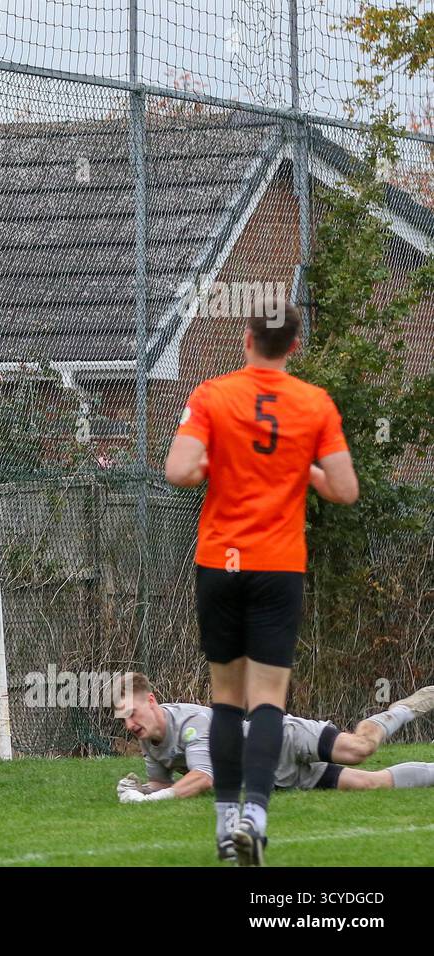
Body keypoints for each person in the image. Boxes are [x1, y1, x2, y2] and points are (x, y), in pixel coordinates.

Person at [164, 295, 359, 865]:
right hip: (278, 565)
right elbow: (344, 490)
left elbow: (178, 471)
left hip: (221, 563)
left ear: (246, 338)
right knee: (268, 700)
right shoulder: (314, 404)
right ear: (294, 346)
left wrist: (214, 462)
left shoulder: (212, 394)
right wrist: (306, 466)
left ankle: (227, 826)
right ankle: (257, 812)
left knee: (225, 700)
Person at [112, 672, 434, 861]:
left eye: (133, 714)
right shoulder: (148, 739)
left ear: (151, 701)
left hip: (283, 739)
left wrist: (153, 799)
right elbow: (161, 784)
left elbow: (202, 779)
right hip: (279, 777)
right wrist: (139, 791)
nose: (129, 724)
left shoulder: (190, 723)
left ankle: (406, 708)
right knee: (371, 783)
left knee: (359, 749)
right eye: (123, 718)